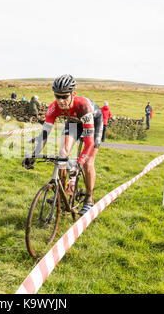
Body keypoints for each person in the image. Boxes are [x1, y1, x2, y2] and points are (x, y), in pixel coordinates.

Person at [22, 74, 104, 216]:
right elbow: (44, 135)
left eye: (64, 96)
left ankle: (89, 199)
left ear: (73, 94)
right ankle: (62, 194)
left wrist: (79, 163)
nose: (60, 100)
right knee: (62, 154)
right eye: (57, 96)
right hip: (73, 122)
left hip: (93, 121)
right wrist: (34, 155)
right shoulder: (53, 108)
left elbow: (89, 143)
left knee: (88, 163)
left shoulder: (83, 106)